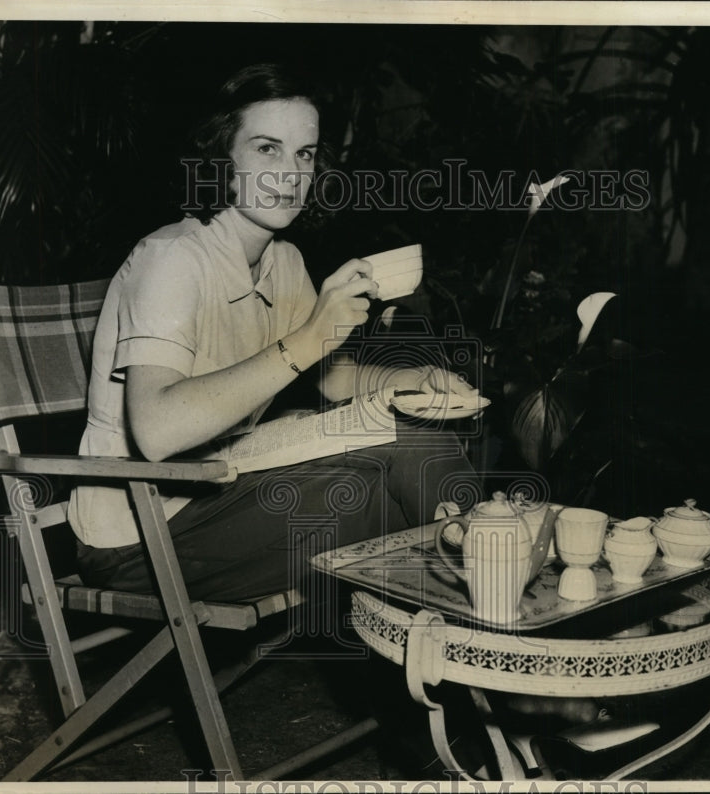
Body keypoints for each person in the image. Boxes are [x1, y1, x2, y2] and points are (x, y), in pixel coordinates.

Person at [67, 63, 481, 602]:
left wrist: (414, 378)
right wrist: (308, 338)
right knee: (382, 499)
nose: (290, 173)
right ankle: (498, 607)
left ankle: (488, 606)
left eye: (303, 153)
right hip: (139, 533)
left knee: (419, 440)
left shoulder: (283, 260)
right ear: (222, 157)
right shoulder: (172, 258)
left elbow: (333, 379)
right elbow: (157, 432)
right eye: (267, 148)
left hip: (226, 488)